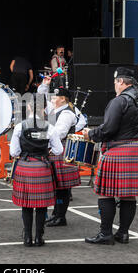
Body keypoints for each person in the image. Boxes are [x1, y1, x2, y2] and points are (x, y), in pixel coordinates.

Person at [82, 67, 138, 245]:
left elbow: (108, 129)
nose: (114, 85)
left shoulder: (119, 101)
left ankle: (106, 234)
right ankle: (123, 233)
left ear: (121, 81)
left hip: (118, 150)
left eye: (115, 82)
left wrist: (90, 134)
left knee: (105, 193)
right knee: (129, 195)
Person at [10, 93, 63, 247]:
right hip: (42, 167)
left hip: (25, 166)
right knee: (41, 205)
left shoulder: (20, 126)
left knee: (26, 205)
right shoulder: (50, 127)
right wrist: (47, 151)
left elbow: (14, 152)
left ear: (28, 107)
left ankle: (27, 237)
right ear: (45, 108)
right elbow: (58, 150)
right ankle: (39, 237)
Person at [38, 78, 87, 227]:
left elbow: (59, 133)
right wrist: (44, 85)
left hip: (63, 150)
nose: (52, 99)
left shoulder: (66, 114)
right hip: (56, 149)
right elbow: (41, 99)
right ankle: (56, 214)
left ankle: (60, 216)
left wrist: (40, 137)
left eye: (54, 97)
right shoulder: (55, 110)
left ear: (63, 99)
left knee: (63, 187)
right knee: (57, 186)